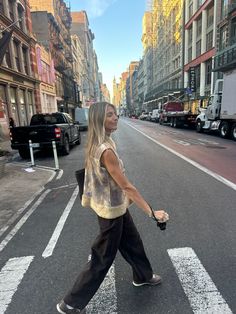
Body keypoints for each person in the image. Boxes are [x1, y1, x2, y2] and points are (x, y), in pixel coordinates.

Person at [57, 102, 169, 314]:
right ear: (100, 120)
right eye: (110, 115)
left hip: (114, 205)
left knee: (133, 242)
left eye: (115, 114)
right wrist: (152, 213)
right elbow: (126, 186)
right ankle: (70, 302)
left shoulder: (99, 142)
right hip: (111, 211)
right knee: (102, 258)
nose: (116, 117)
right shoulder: (106, 150)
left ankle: (142, 276)